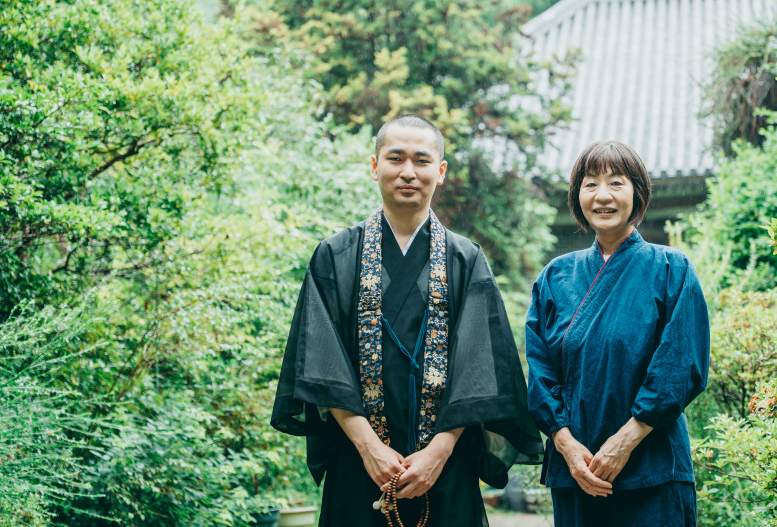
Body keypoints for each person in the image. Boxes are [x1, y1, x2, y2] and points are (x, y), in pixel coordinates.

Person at [271, 114, 542, 526]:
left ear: (441, 171)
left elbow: (483, 371)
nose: (409, 172)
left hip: (444, 467)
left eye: (422, 160)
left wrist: (439, 452)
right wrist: (369, 448)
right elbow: (321, 365)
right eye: (395, 159)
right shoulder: (335, 255)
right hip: (358, 461)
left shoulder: (465, 259)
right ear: (375, 166)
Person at [525, 140, 710, 527]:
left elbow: (681, 365)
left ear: (638, 193)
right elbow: (540, 371)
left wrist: (625, 441)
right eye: (590, 184)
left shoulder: (671, 269)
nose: (602, 196)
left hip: (652, 467)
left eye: (616, 182)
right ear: (577, 196)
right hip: (577, 472)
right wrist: (566, 446)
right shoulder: (555, 278)